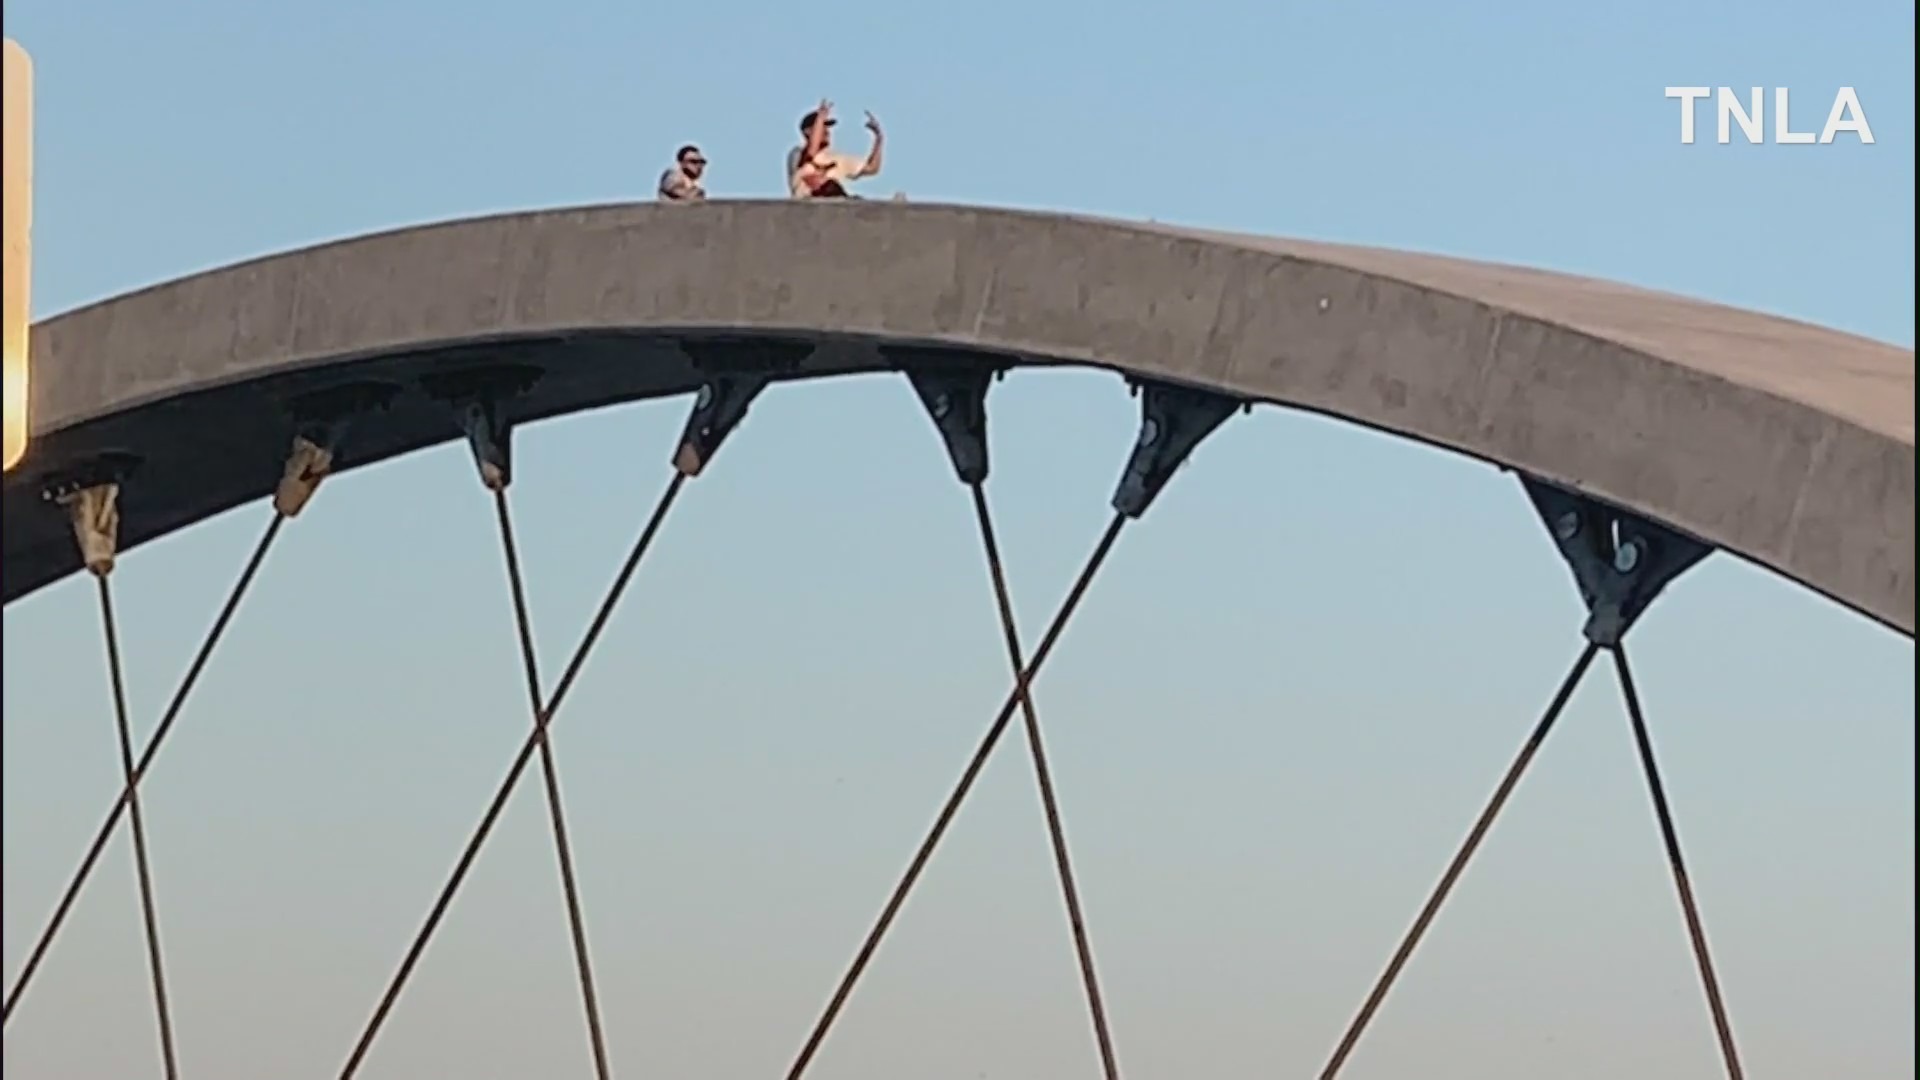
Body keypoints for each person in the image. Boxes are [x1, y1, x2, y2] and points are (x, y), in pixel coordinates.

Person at [786, 101, 882, 199]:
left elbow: (871, 168)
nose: (827, 131)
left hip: (834, 207)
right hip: (808, 208)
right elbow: (810, 154)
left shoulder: (837, 158)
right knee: (826, 185)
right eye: (823, 126)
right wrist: (820, 118)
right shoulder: (796, 153)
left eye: (827, 127)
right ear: (808, 131)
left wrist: (879, 139)